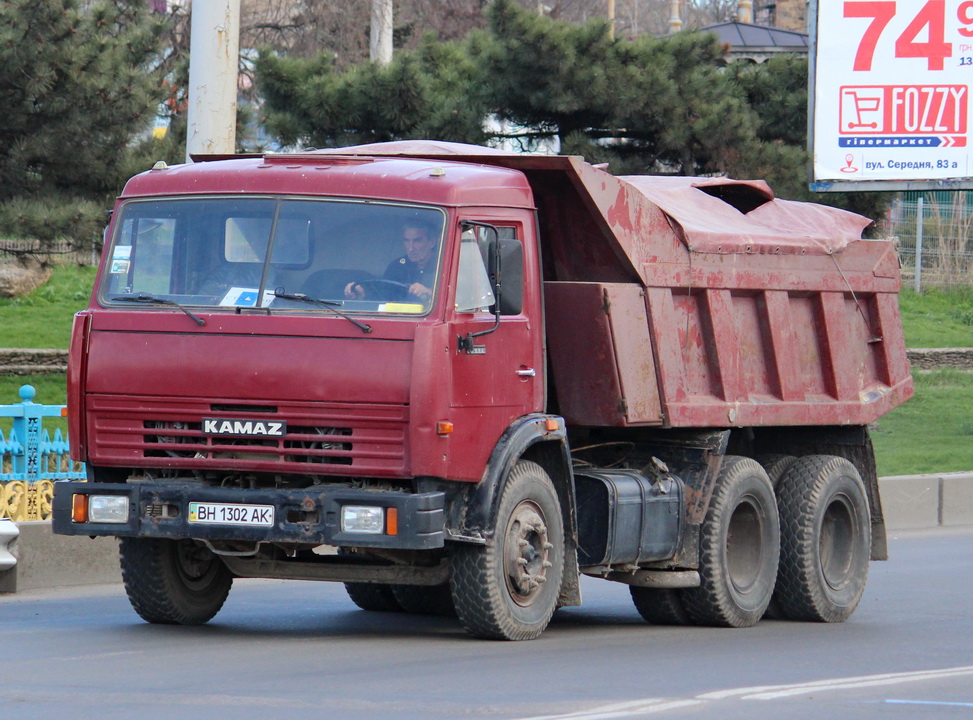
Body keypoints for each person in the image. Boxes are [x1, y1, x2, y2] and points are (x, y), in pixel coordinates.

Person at [345, 222, 437, 303]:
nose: (410, 248)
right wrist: (363, 292)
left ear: (432, 242)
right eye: (406, 241)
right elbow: (384, 295)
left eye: (417, 241)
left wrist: (430, 293)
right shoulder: (397, 267)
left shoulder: (445, 266)